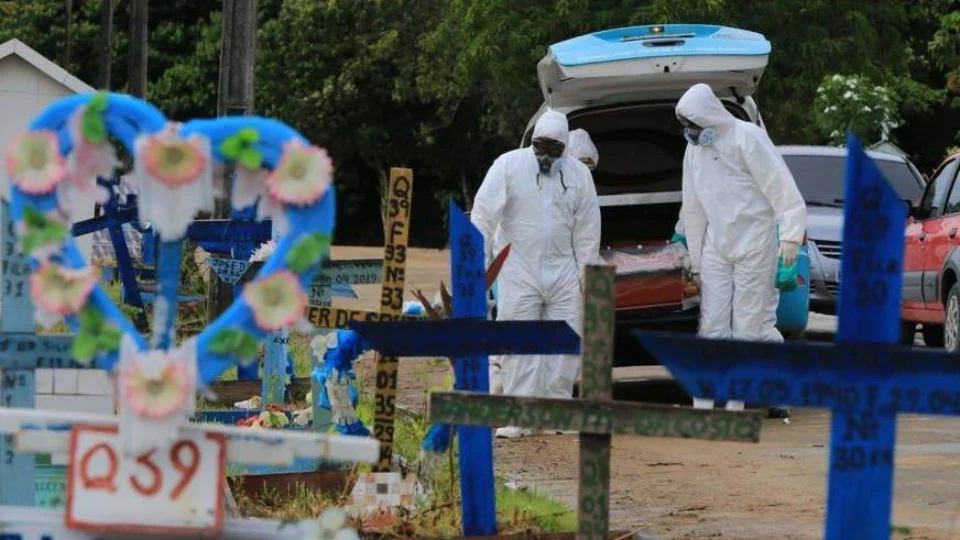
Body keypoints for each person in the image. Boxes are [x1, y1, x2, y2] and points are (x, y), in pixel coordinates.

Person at [472, 111, 601, 438]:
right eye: (540, 146)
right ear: (532, 143)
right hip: (518, 268)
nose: (545, 154)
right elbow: (484, 215)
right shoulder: (508, 165)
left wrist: (588, 274)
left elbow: (587, 230)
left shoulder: (578, 175)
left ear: (565, 147)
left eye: (553, 148)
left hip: (563, 270)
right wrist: (476, 263)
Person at [677, 83, 806, 411]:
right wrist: (693, 259)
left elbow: (781, 186)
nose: (689, 132)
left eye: (693, 124)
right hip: (717, 246)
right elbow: (692, 208)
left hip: (755, 244)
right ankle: (703, 404)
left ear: (707, 116)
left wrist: (790, 237)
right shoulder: (694, 151)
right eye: (686, 127)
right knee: (711, 326)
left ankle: (737, 404)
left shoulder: (747, 137)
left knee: (748, 327)